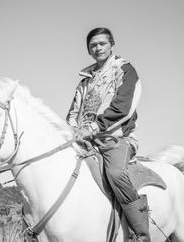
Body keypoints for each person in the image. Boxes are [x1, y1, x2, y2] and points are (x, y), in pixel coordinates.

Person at [66, 27, 150, 242]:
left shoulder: (124, 69)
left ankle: (140, 234)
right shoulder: (85, 80)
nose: (97, 48)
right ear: (88, 50)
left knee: (115, 173)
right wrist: (72, 130)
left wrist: (94, 128)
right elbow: (73, 112)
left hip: (116, 139)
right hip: (85, 140)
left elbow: (123, 106)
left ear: (112, 44)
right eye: (93, 45)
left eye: (102, 43)